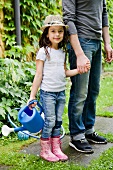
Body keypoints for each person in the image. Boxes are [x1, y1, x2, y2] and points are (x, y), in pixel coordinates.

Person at [27, 15, 90, 162]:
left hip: (60, 92)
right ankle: (45, 150)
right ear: (47, 34)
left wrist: (79, 70)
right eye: (53, 31)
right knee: (50, 120)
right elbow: (38, 75)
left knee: (58, 120)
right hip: (48, 93)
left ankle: (56, 148)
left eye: (60, 31)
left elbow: (65, 72)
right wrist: (32, 96)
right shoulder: (43, 51)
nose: (57, 34)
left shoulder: (63, 52)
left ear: (64, 33)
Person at [62, 0, 113, 154]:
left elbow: (103, 12)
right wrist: (79, 53)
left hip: (96, 42)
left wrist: (107, 43)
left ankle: (88, 130)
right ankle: (77, 135)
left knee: (93, 90)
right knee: (80, 92)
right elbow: (68, 20)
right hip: (81, 41)